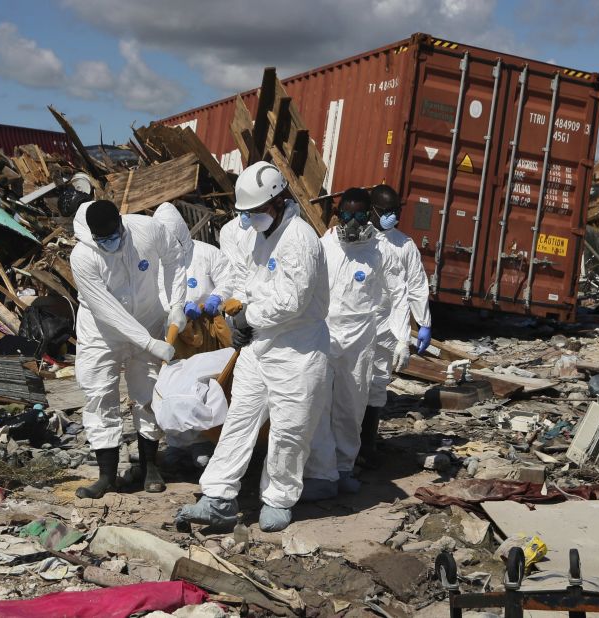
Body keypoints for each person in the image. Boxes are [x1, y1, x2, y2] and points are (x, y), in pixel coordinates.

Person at [176, 161, 330, 532]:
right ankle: (218, 497)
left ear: (278, 202)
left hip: (298, 351)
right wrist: (237, 317)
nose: (250, 220)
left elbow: (291, 301)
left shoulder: (300, 239)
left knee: (289, 431)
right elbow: (246, 280)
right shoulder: (259, 235)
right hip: (261, 348)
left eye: (256, 213)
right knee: (239, 420)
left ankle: (278, 498)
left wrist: (250, 318)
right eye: (246, 214)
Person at [69, 200, 188, 499]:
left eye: (115, 236)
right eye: (103, 240)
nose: (111, 243)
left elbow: (174, 257)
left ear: (122, 225)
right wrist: (148, 343)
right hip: (102, 331)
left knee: (148, 391)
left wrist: (177, 305)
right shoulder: (82, 256)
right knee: (100, 395)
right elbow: (106, 308)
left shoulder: (146, 229)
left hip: (147, 318)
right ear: (93, 236)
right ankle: (107, 476)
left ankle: (149, 466)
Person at [302, 188, 409, 500]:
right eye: (345, 215)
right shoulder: (324, 247)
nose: (351, 222)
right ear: (338, 215)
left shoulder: (380, 252)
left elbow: (399, 292)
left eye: (359, 216)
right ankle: (318, 471)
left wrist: (403, 337)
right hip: (325, 333)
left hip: (361, 335)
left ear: (369, 216)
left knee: (352, 404)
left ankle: (344, 467)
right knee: (318, 403)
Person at [152, 202, 235, 468]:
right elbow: (157, 295)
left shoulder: (206, 253)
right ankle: (178, 443)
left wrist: (215, 298)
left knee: (208, 385)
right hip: (177, 334)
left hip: (209, 333)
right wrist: (175, 309)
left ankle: (206, 441)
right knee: (175, 384)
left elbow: (229, 279)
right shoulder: (158, 263)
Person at [360, 184, 433, 465]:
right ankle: (341, 448)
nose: (392, 217)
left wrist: (423, 322)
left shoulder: (404, 245)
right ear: (372, 210)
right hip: (353, 323)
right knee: (345, 385)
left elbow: (416, 285)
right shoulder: (358, 240)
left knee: (377, 384)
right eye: (386, 211)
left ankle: (366, 446)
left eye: (396, 211)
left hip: (386, 327)